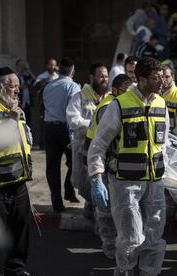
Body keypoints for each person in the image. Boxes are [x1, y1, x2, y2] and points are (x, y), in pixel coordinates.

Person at [88, 57, 169, 276]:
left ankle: (150, 273)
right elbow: (99, 144)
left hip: (154, 181)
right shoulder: (119, 105)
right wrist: (97, 177)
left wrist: (169, 174)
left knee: (154, 235)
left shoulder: (161, 104)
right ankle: (125, 271)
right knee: (131, 237)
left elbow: (164, 144)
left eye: (162, 76)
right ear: (142, 79)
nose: (161, 81)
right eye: (155, 78)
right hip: (126, 182)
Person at [85, 74, 132, 260]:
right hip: (103, 162)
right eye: (126, 93)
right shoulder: (109, 107)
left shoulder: (117, 104)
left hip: (109, 161)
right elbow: (104, 142)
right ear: (116, 90)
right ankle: (109, 245)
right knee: (105, 211)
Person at [0, 66, 35, 276]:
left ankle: (16, 270)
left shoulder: (16, 112)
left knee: (20, 231)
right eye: (13, 87)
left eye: (18, 87)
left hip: (18, 182)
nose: (18, 91)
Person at [66, 63, 109, 218]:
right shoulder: (80, 96)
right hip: (82, 145)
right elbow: (73, 119)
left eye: (106, 75)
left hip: (102, 147)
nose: (104, 79)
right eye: (101, 76)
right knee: (79, 180)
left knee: (99, 178)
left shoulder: (110, 97)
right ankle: (90, 201)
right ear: (92, 77)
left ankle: (95, 207)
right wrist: (93, 126)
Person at [43, 57, 80, 212]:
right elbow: (73, 111)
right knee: (75, 162)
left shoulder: (49, 86)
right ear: (72, 71)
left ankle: (57, 201)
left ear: (59, 69)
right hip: (65, 129)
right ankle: (69, 189)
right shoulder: (73, 87)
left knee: (52, 167)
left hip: (49, 128)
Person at [33, 58, 59, 150]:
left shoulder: (58, 77)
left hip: (56, 105)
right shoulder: (42, 76)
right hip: (44, 104)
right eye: (50, 65)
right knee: (44, 124)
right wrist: (44, 81)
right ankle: (43, 144)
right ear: (47, 66)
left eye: (54, 65)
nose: (52, 67)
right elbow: (35, 89)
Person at [161, 65, 177, 130]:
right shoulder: (154, 94)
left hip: (174, 137)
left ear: (173, 77)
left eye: (167, 77)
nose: (164, 80)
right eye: (161, 77)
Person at [15, 60, 35, 128]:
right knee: (20, 122)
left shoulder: (26, 76)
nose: (22, 67)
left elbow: (35, 80)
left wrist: (28, 70)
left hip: (27, 103)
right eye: (21, 65)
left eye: (23, 66)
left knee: (28, 122)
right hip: (19, 103)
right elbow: (18, 87)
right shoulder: (15, 76)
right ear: (17, 66)